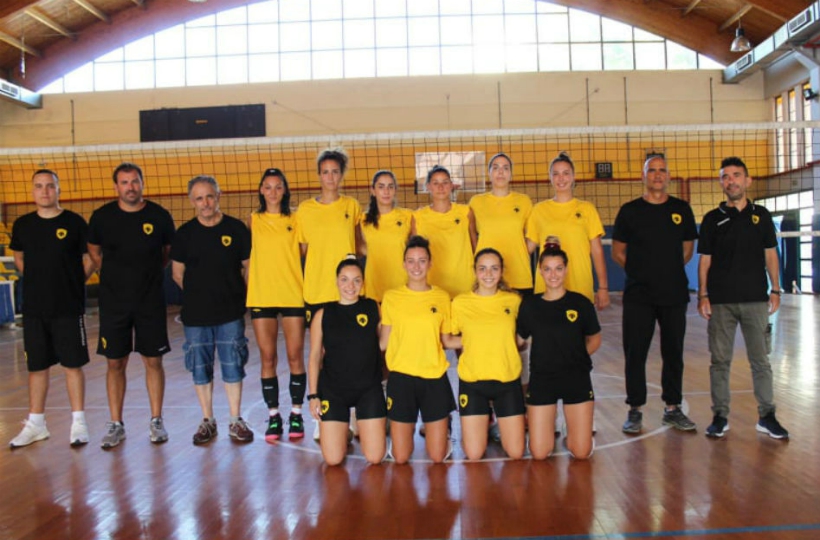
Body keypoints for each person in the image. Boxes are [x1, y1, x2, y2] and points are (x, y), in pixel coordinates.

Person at [697, 156, 789, 440]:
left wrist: (776, 289)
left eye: (736, 175)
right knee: (720, 362)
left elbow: (770, 254)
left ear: (747, 180)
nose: (731, 181)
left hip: (755, 301)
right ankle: (720, 416)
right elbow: (705, 260)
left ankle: (767, 416)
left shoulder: (762, 216)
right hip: (721, 302)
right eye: (725, 176)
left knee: (760, 361)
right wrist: (703, 294)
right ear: (721, 182)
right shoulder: (712, 219)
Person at [88, 162, 175, 449]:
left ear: (142, 183)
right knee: (115, 362)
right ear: (116, 186)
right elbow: (94, 252)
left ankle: (156, 420)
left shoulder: (159, 216)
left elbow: (166, 253)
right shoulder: (101, 217)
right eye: (124, 182)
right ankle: (116, 423)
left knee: (153, 361)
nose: (130, 187)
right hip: (114, 303)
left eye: (135, 181)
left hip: (150, 301)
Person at [8, 169, 96, 448]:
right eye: (39, 186)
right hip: (35, 308)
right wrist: (39, 280)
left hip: (68, 307)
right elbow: (19, 258)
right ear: (32, 190)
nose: (44, 191)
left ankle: (79, 423)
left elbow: (91, 258)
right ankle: (36, 424)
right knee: (37, 366)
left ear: (58, 190)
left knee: (73, 365)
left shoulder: (74, 222)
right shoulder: (23, 225)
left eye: (50, 186)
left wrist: (74, 280)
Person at [612, 156, 698, 434]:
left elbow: (688, 249)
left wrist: (666, 271)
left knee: (673, 353)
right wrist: (640, 272)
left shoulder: (681, 209)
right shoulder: (629, 211)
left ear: (668, 176)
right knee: (635, 353)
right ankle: (635, 409)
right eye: (652, 170)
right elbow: (617, 252)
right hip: (639, 295)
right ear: (643, 175)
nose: (658, 175)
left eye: (662, 170)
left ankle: (672, 408)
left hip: (674, 293)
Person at [171, 176, 253, 445]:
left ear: (218, 196)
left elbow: (248, 266)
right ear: (191, 201)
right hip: (196, 316)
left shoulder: (236, 229)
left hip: (230, 313)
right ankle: (207, 420)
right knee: (200, 368)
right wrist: (199, 295)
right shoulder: (184, 234)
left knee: (233, 365)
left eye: (209, 196)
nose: (205, 203)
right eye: (199, 198)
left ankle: (235, 419)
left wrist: (237, 294)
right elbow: (177, 273)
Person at [516, 247, 601, 460]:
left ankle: (573, 432)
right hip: (542, 379)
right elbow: (518, 340)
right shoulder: (530, 305)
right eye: (547, 269)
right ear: (540, 271)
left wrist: (575, 357)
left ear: (566, 270)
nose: (553, 274)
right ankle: (549, 430)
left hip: (576, 378)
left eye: (558, 268)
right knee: (539, 453)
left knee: (581, 452)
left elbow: (595, 339)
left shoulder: (580, 303)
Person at [379, 236, 456, 463]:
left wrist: (480, 338)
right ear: (403, 264)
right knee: (401, 457)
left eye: (422, 261)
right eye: (411, 261)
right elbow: (383, 343)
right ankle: (401, 436)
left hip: (434, 377)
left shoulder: (442, 297)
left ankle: (443, 438)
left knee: (438, 457)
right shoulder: (391, 298)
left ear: (430, 263)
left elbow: (447, 340)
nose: (416, 266)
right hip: (401, 379)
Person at [307, 258, 387, 465]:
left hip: (368, 389)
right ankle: (342, 427)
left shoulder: (373, 307)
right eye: (344, 279)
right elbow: (314, 356)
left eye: (356, 280)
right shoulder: (323, 315)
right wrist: (313, 395)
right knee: (333, 460)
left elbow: (382, 344)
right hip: (334, 390)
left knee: (375, 457)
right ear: (336, 281)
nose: (350, 286)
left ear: (362, 283)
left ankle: (358, 424)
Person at [246, 168, 307, 442]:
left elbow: (303, 251)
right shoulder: (253, 220)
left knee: (295, 356)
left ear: (285, 190)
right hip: (262, 296)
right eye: (268, 187)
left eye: (278, 187)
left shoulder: (296, 219)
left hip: (292, 293)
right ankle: (273, 416)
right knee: (268, 357)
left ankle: (296, 413)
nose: (273, 192)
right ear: (261, 190)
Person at [450, 248, 526, 460]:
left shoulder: (514, 301)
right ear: (475, 271)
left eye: (494, 268)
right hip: (473, 382)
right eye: (482, 268)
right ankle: (485, 423)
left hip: (507, 381)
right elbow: (448, 339)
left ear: (501, 271)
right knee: (474, 454)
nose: (488, 274)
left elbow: (522, 338)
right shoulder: (460, 303)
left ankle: (493, 425)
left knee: (516, 453)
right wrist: (475, 339)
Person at [526, 152, 609, 310]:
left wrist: (603, 287)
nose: (561, 178)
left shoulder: (587, 209)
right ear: (550, 178)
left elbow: (597, 251)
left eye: (565, 173)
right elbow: (527, 249)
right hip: (547, 288)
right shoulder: (538, 210)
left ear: (573, 176)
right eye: (556, 174)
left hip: (580, 285)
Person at [297, 148, 362, 319]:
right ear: (319, 175)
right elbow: (302, 250)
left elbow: (359, 244)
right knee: (319, 336)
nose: (330, 177)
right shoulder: (305, 209)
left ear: (341, 174)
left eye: (335, 171)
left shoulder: (352, 205)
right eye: (325, 172)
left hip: (347, 288)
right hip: (317, 288)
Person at [469, 153, 534, 293]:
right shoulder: (476, 202)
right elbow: (470, 233)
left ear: (511, 174)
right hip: (487, 277)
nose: (500, 172)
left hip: (518, 276)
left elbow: (533, 236)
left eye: (505, 168)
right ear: (489, 173)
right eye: (495, 167)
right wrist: (479, 255)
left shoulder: (524, 201)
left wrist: (520, 253)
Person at [413, 165, 477, 299]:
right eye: (436, 183)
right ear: (428, 187)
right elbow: (415, 254)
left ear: (451, 185)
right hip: (432, 286)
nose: (441, 187)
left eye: (445, 182)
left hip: (464, 284)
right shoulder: (418, 216)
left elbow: (475, 247)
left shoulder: (465, 212)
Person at [359, 170, 414, 303]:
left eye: (390, 186)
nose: (386, 191)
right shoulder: (362, 220)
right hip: (374, 288)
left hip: (402, 286)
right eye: (381, 187)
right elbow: (359, 248)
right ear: (373, 191)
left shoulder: (408, 216)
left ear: (395, 190)